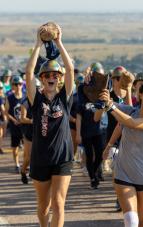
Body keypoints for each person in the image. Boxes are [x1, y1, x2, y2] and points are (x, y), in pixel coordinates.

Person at [25, 25, 74, 227]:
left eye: (55, 75)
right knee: (44, 206)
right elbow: (29, 73)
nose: (51, 78)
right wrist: (38, 44)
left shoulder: (65, 98)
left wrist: (58, 42)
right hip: (40, 157)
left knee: (58, 204)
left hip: (63, 157)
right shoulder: (36, 99)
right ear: (42, 79)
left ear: (60, 79)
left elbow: (70, 68)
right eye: (47, 76)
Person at [100, 78, 143, 227]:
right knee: (131, 221)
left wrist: (110, 106)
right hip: (124, 173)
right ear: (140, 95)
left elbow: (132, 123)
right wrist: (105, 99)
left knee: (142, 222)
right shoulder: (130, 110)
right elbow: (117, 116)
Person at [77, 62, 108, 189]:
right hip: (86, 129)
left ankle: (95, 172)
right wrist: (78, 133)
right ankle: (93, 178)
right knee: (89, 155)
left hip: (99, 128)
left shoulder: (104, 88)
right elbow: (79, 113)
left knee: (100, 154)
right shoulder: (82, 88)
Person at [20, 78, 41, 184]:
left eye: (37, 88)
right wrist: (33, 121)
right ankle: (23, 171)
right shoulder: (25, 101)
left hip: (41, 131)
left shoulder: (43, 99)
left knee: (40, 155)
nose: (36, 90)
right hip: (29, 132)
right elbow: (22, 119)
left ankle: (36, 174)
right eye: (34, 88)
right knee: (28, 157)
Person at [5, 75, 24, 173]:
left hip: (25, 126)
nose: (18, 86)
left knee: (27, 147)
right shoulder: (10, 98)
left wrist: (25, 119)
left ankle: (26, 163)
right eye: (16, 84)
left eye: (20, 84)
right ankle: (17, 164)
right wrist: (14, 120)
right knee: (15, 147)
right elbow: (6, 112)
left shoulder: (25, 96)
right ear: (12, 86)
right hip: (15, 126)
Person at [0, 82, 7, 154]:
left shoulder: (3, 97)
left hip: (1, 118)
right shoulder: (1, 98)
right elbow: (3, 109)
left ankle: (0, 147)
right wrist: (5, 119)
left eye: (1, 88)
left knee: (1, 134)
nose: (0, 90)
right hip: (1, 118)